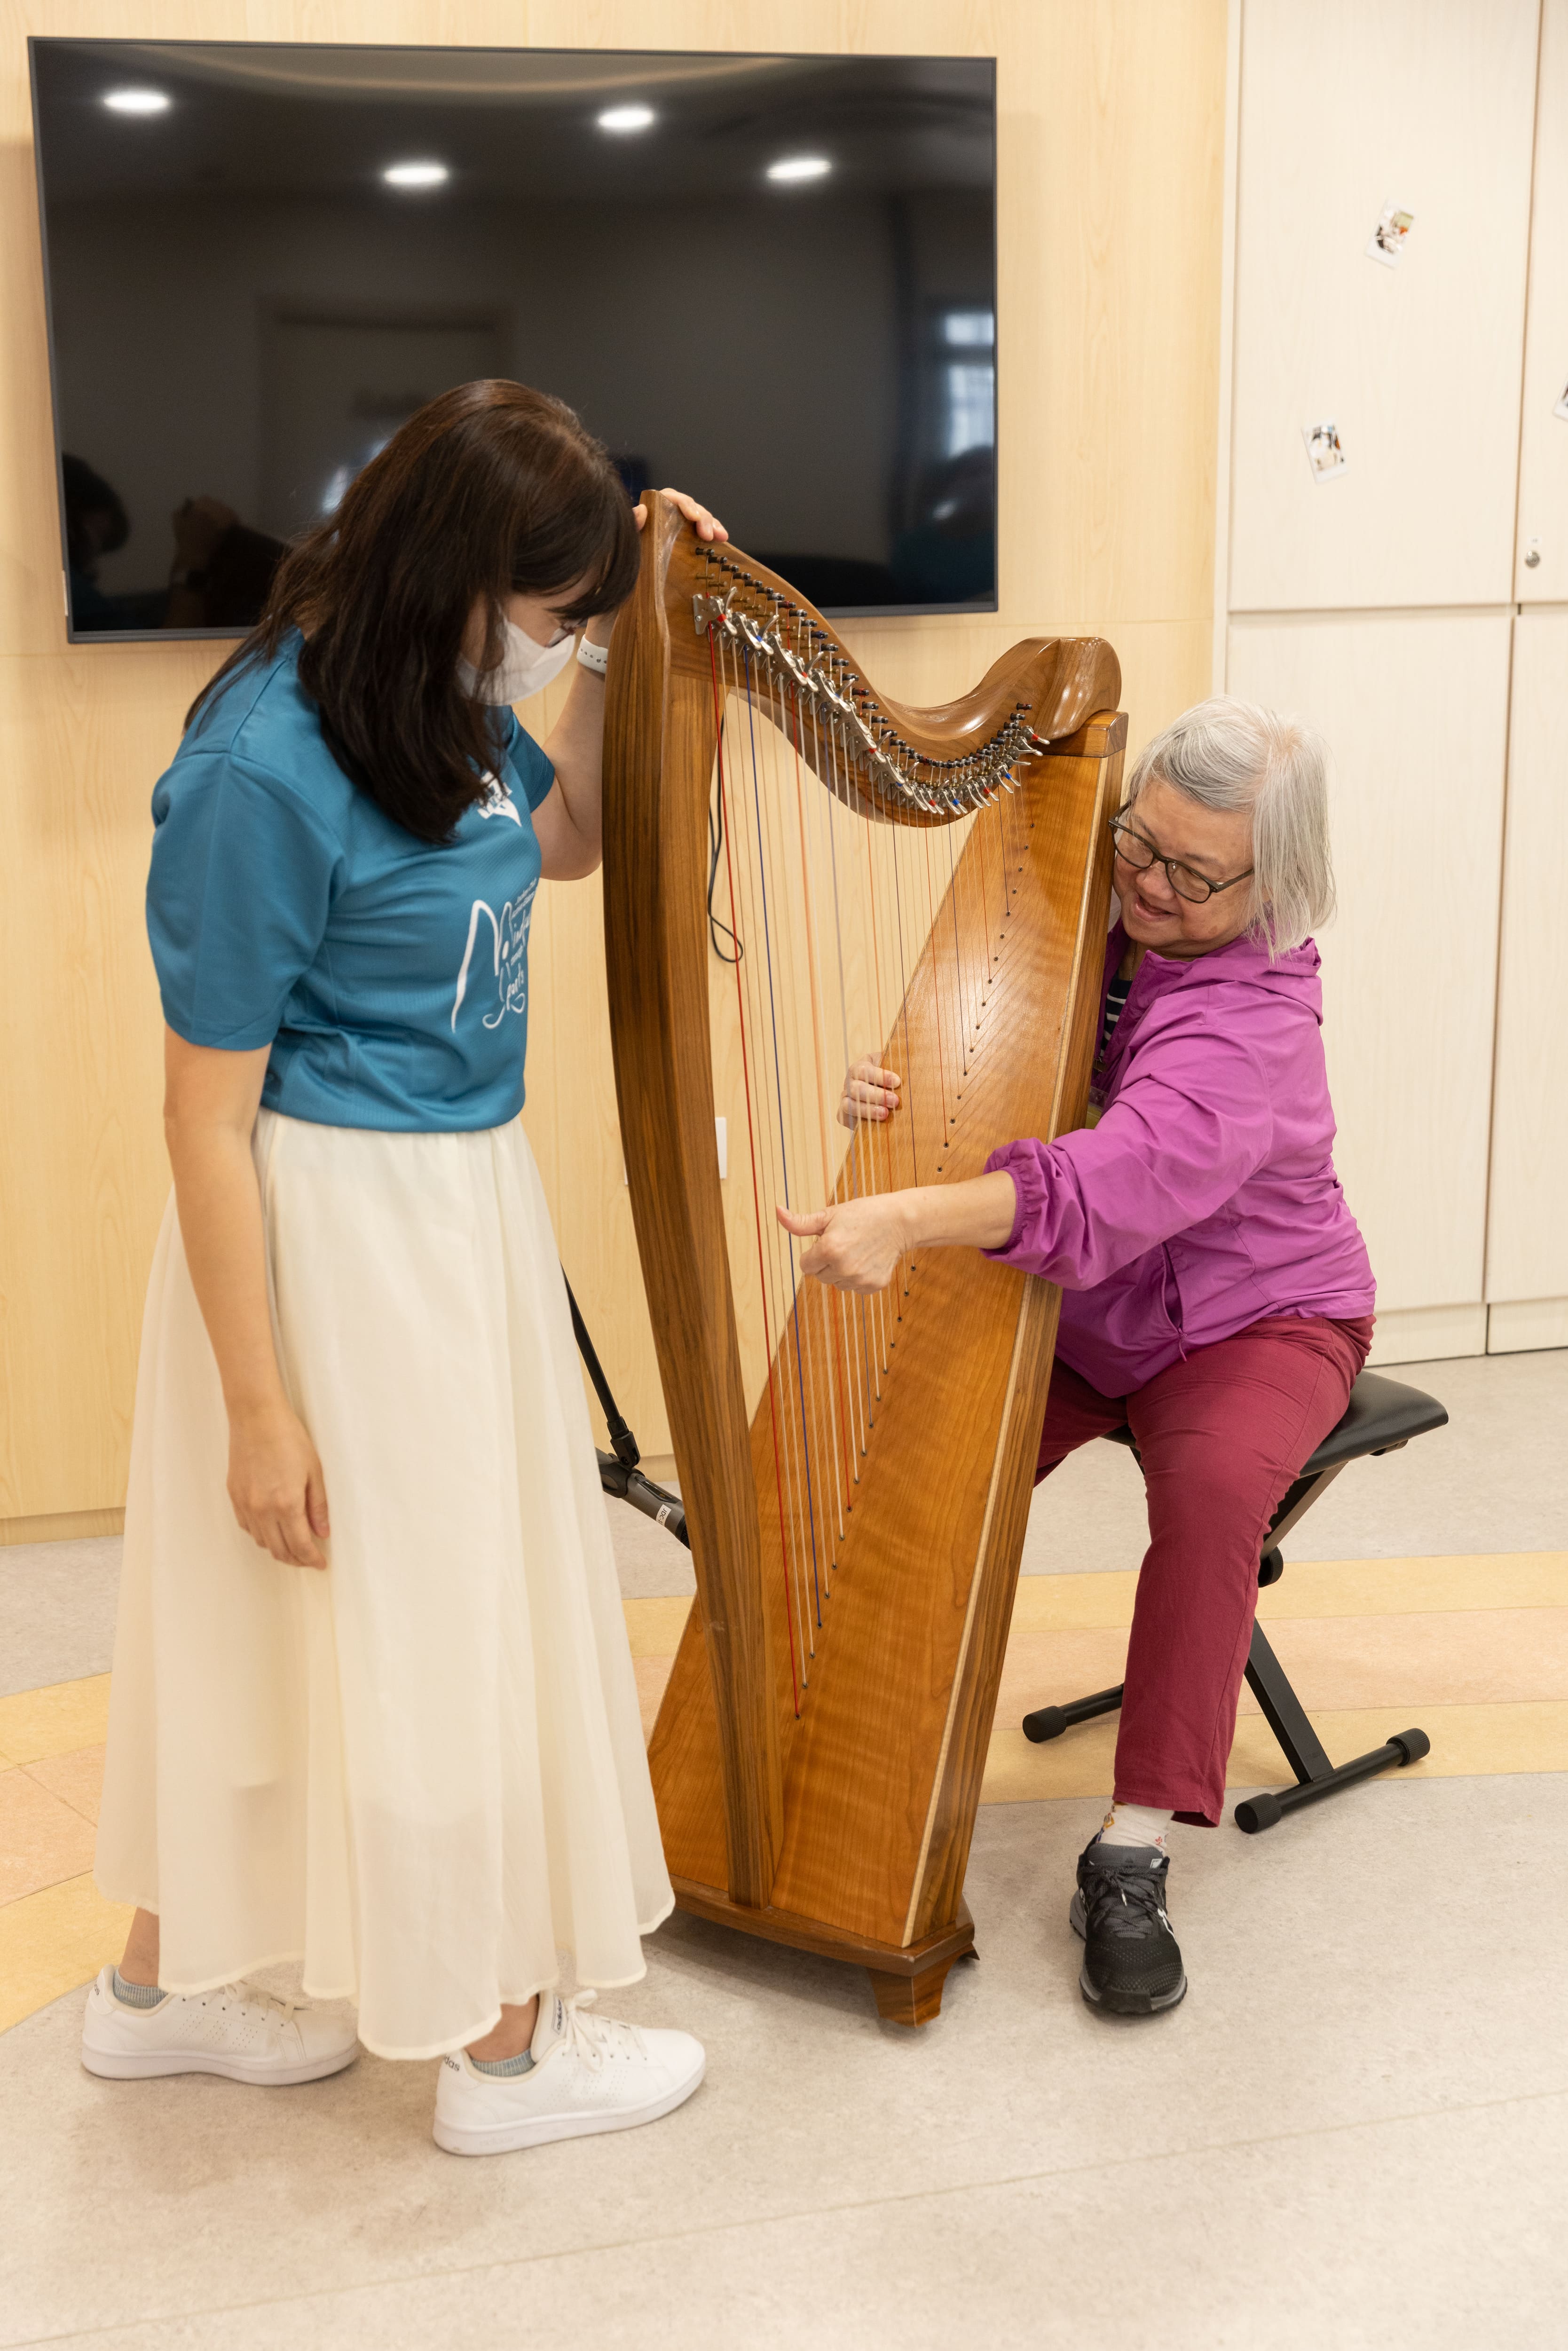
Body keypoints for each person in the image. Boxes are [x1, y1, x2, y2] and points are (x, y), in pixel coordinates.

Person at [83, 379, 728, 2155]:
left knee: (347, 1612)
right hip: (334, 1235)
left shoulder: (435, 694)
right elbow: (202, 1124)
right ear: (452, 573)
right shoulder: (256, 769)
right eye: (546, 613)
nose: (550, 648)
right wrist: (261, 1406)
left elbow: (572, 843)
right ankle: (503, 2058)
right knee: (426, 1619)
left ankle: (166, 1992)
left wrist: (623, 629)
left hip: (454, 1207)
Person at [780, 698, 1374, 2017]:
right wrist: (900, 1089)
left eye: (1192, 874)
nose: (1150, 886)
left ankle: (1135, 1847)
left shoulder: (1254, 1028)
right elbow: (1018, 1087)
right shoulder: (1087, 918)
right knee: (914, 1433)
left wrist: (908, 1216)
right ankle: (814, 1733)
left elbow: (1104, 1183)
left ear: (1276, 884)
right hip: (1094, 1314)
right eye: (1138, 847)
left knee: (1217, 1493)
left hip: (1258, 1319)